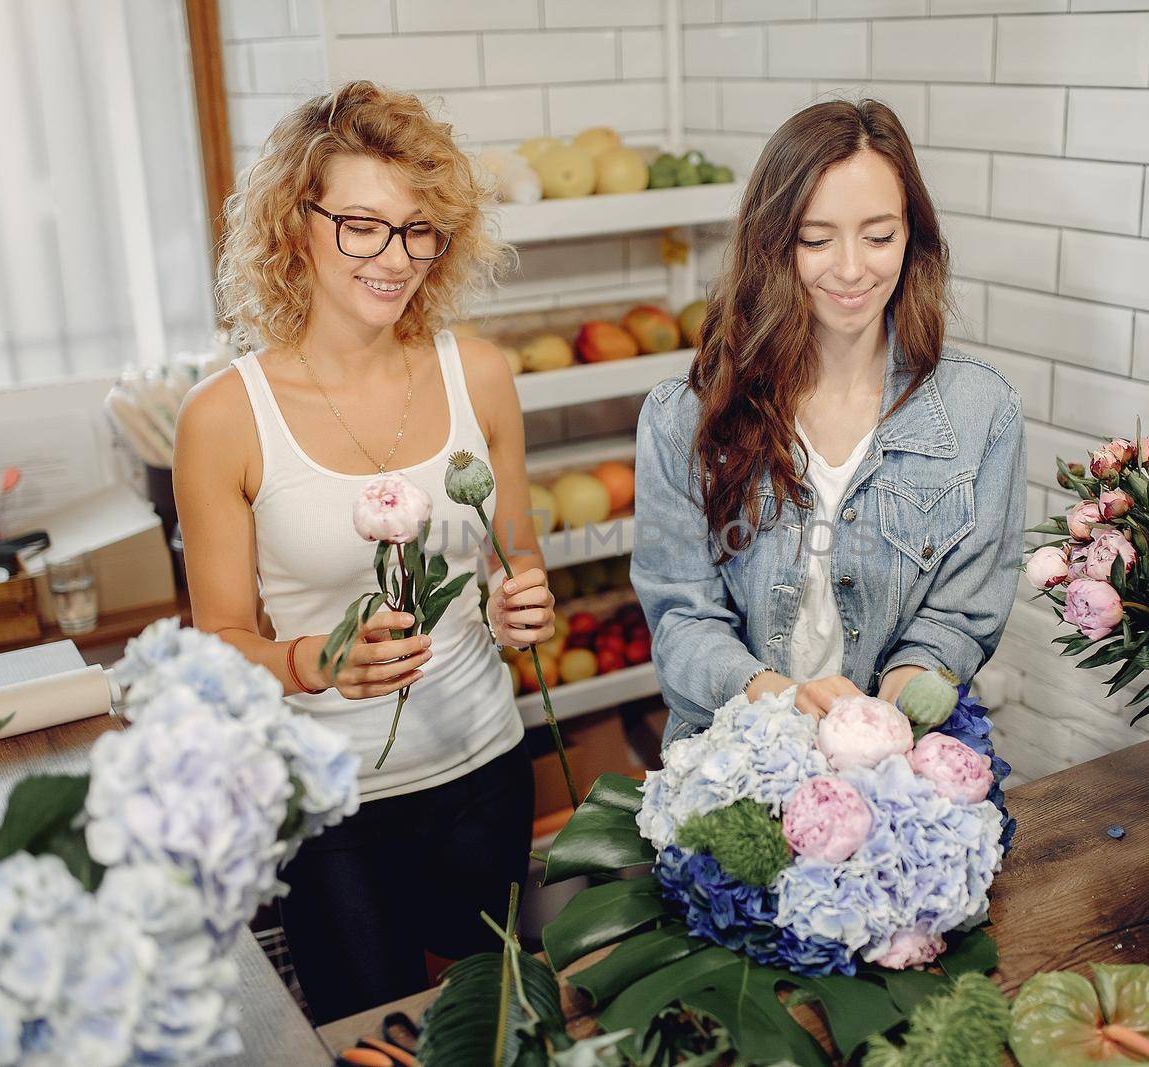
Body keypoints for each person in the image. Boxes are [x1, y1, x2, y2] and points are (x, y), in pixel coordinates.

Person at [174, 81, 555, 1023]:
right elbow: (220, 639)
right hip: (329, 806)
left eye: (418, 229)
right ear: (294, 224)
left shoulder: (483, 375)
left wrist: (525, 600)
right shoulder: (224, 418)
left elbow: (517, 550)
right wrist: (314, 661)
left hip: (484, 769)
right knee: (371, 1035)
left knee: (502, 1024)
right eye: (361, 225)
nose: (395, 259)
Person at [632, 99, 1025, 748]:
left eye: (879, 236)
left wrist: (894, 702)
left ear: (912, 236)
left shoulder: (981, 412)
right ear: (773, 243)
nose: (850, 269)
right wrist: (783, 699)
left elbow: (961, 615)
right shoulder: (684, 418)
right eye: (816, 239)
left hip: (896, 768)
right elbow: (682, 621)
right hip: (731, 768)